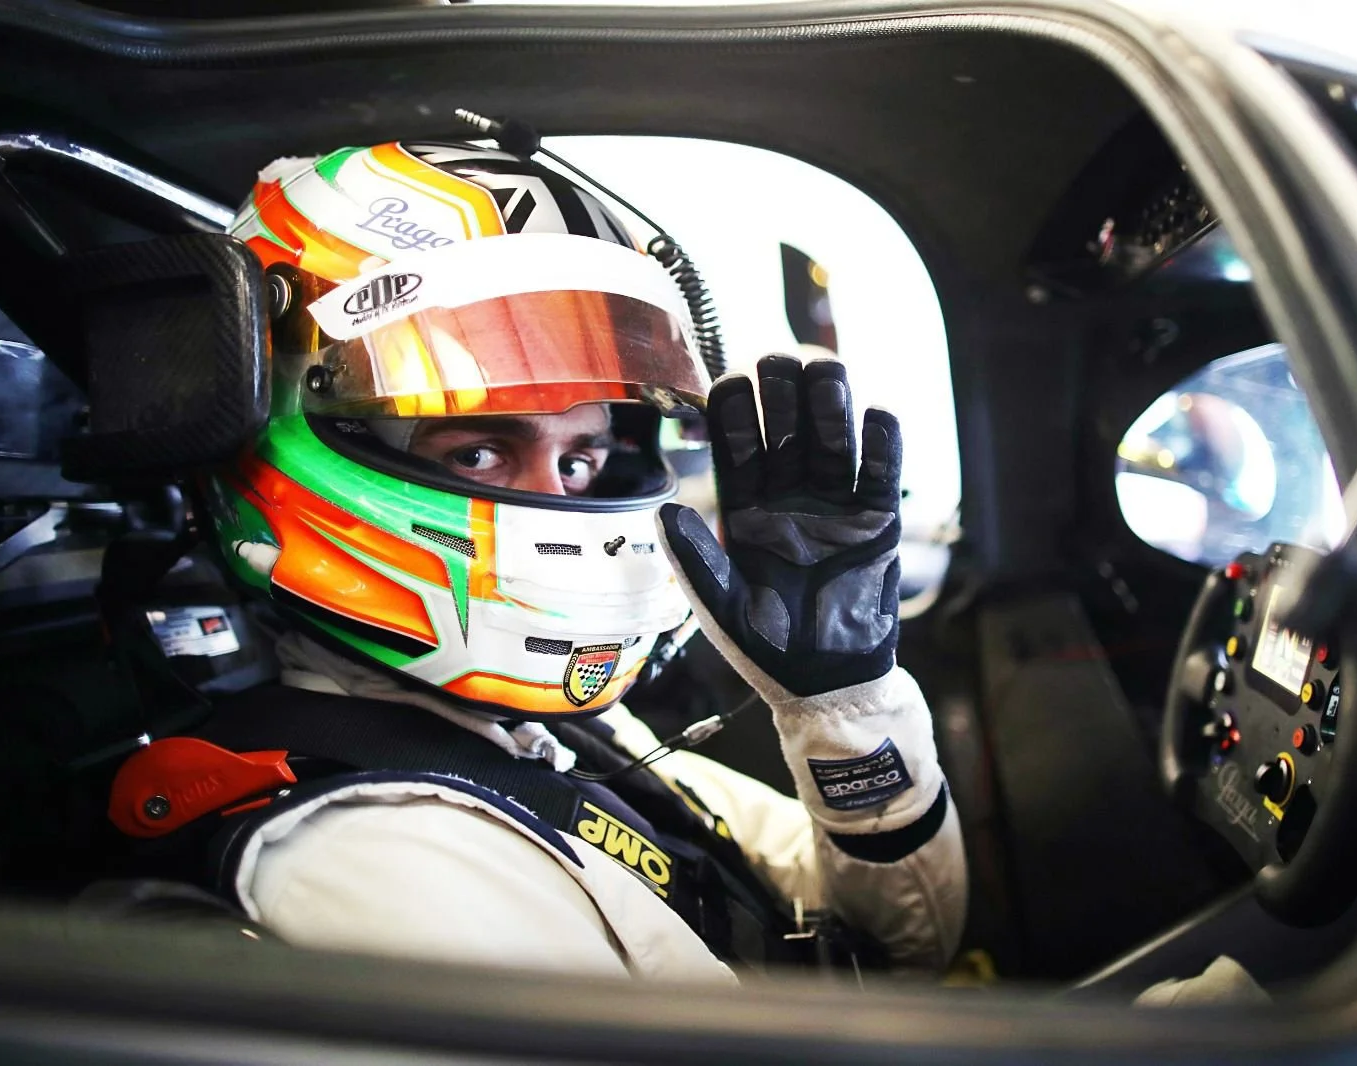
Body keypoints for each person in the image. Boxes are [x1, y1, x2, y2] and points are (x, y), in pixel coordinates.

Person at [105, 139, 967, 983]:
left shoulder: (549, 727)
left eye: (582, 457)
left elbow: (897, 939)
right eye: (478, 451)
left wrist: (844, 706)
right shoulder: (388, 861)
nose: (558, 499)